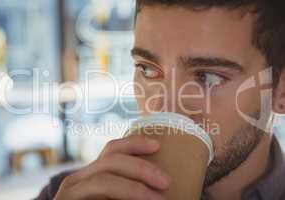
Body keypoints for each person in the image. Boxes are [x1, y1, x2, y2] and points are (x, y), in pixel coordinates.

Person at [36, 0, 285, 199]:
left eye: (208, 77)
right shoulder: (69, 193)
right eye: (147, 69)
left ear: (280, 92)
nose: (163, 106)